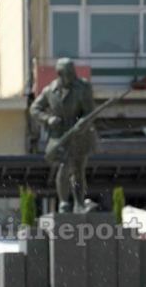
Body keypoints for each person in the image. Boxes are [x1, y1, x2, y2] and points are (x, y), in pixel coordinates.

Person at [29, 58, 96, 213]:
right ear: (61, 75)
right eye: (69, 73)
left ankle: (79, 204)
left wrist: (83, 122)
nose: (73, 76)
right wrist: (48, 119)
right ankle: (64, 202)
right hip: (59, 137)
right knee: (64, 167)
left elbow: (90, 112)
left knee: (78, 170)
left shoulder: (83, 87)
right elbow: (34, 109)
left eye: (73, 72)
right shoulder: (49, 91)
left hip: (79, 136)